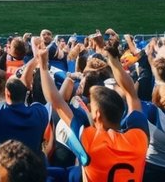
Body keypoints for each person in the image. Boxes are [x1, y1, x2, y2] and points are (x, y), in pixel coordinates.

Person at [34, 34, 148, 182]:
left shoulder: (91, 142)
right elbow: (132, 95)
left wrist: (43, 66)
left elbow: (57, 103)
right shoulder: (138, 139)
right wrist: (114, 62)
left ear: (97, 115)